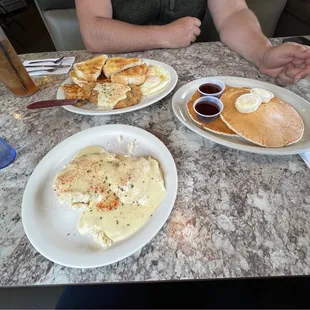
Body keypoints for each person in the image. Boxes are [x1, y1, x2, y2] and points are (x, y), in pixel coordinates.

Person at [75, 0, 310, 86]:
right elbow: (93, 31)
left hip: (188, 79)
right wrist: (163, 35)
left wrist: (262, 53)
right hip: (118, 76)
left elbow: (232, 13)